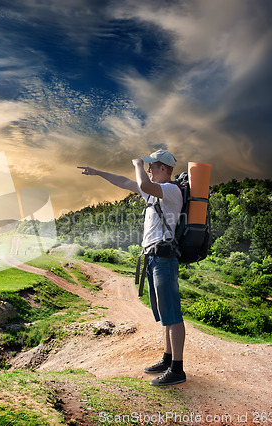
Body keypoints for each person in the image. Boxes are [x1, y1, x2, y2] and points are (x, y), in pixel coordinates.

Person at [78, 149, 186, 386]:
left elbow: (142, 183)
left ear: (164, 169)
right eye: (146, 166)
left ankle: (177, 370)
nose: (148, 169)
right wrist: (97, 172)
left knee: (173, 314)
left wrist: (137, 164)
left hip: (164, 257)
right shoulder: (155, 194)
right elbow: (125, 182)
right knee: (165, 313)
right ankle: (168, 359)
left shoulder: (170, 190)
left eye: (151, 165)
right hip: (154, 258)